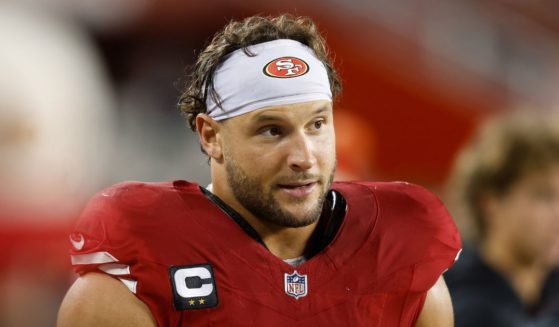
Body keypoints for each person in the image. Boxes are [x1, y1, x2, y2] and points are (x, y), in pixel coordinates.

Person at [57, 14, 461, 326]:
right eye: (272, 130)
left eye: (317, 124)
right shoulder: (131, 284)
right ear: (210, 136)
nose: (304, 156)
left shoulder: (402, 266)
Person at [445, 110, 559, 326]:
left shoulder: (550, 289)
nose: (558, 213)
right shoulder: (460, 301)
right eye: (543, 195)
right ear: (490, 202)